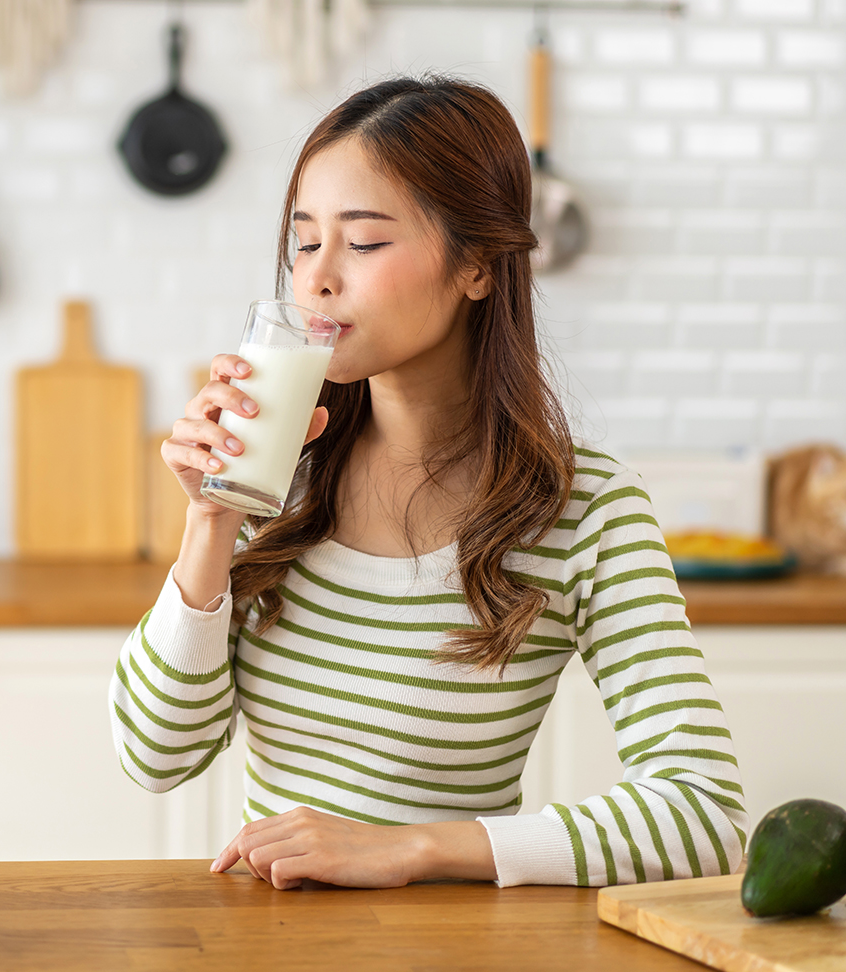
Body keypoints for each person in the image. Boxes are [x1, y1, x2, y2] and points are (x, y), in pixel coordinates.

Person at [108, 76, 746, 890]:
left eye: (364, 243)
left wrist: (415, 847)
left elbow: (703, 814)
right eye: (304, 242)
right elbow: (154, 757)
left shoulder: (582, 508)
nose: (316, 279)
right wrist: (210, 522)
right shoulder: (279, 473)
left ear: (477, 266)